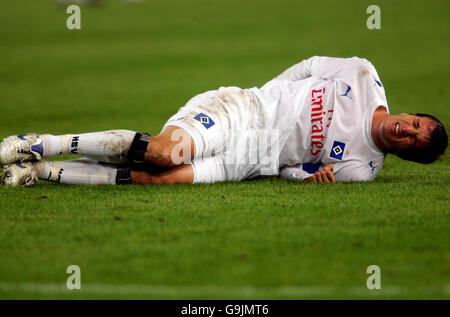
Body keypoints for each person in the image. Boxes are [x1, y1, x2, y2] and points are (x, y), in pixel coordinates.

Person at [0, 56, 447, 187]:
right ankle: (42, 143)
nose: (404, 131)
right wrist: (268, 93)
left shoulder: (363, 171)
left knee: (159, 179)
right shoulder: (363, 75)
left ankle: (41, 172)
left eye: (412, 142)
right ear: (412, 114)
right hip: (243, 112)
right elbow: (310, 65)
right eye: (413, 125)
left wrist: (308, 178)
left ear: (408, 155)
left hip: (255, 161)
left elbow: (298, 168)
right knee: (162, 152)